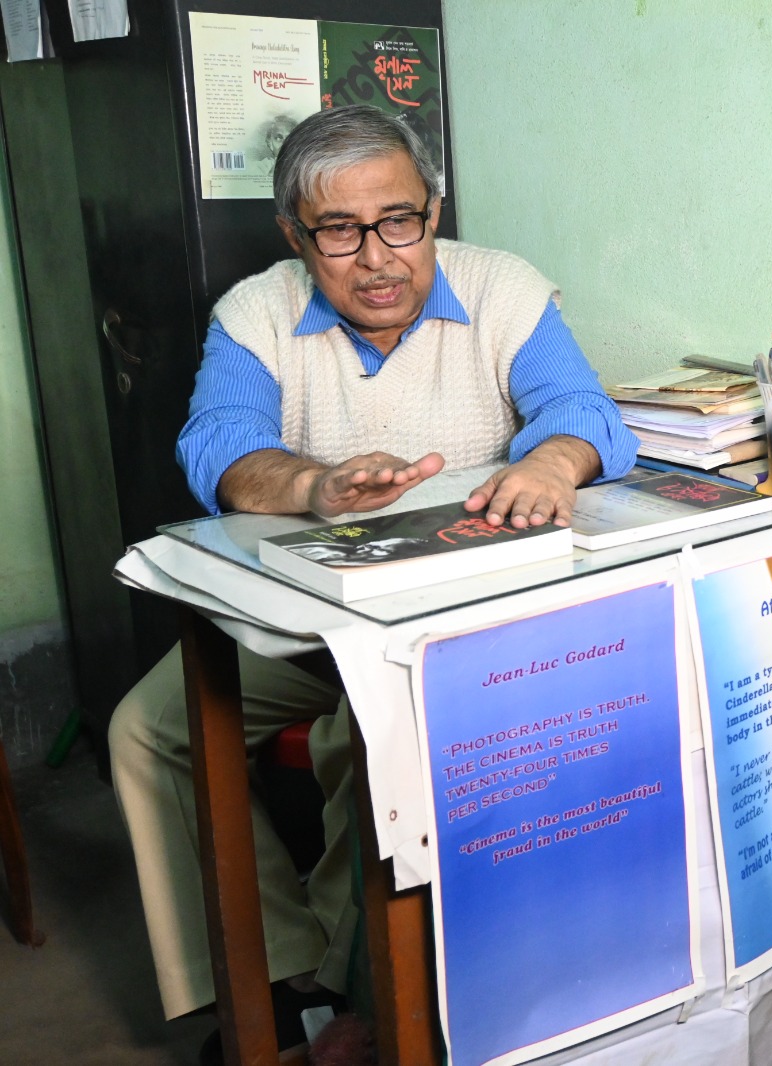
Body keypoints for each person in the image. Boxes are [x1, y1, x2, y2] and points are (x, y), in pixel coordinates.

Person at [107, 104, 638, 1062]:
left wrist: (551, 464)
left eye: (399, 221)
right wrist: (311, 486)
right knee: (148, 730)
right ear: (294, 235)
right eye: (339, 232)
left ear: (433, 210)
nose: (378, 259)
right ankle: (274, 978)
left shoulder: (503, 289)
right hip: (316, 614)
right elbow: (218, 443)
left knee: (365, 733)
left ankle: (352, 996)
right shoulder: (256, 312)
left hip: (463, 626)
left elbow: (583, 410)